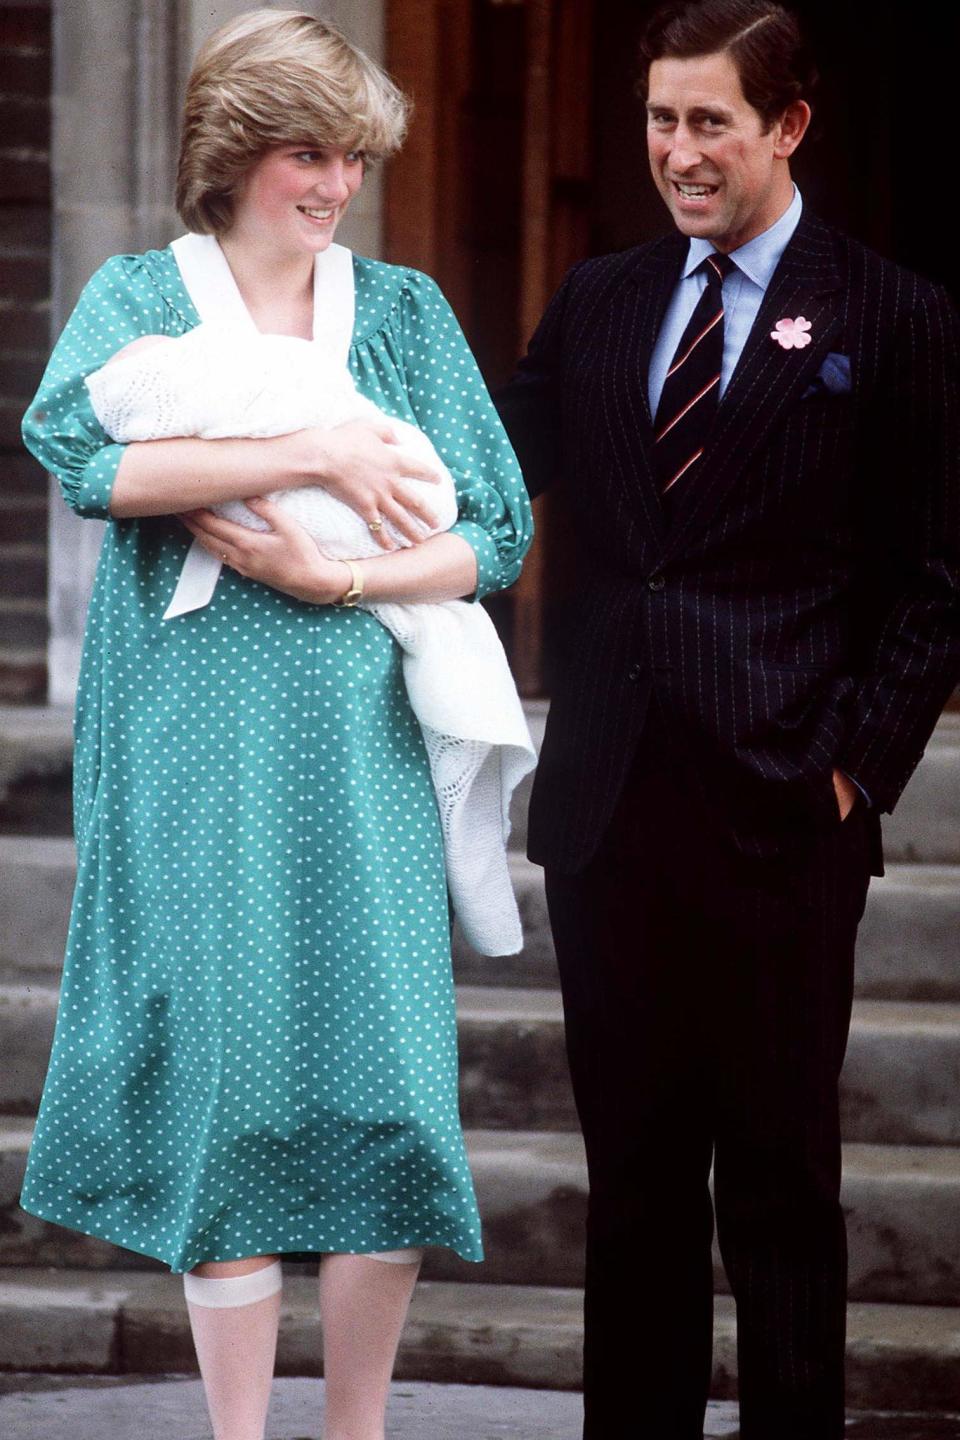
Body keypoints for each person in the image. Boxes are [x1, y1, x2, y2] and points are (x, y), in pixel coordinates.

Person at [19, 10, 532, 1440]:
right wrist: (313, 444)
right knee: (226, 1093)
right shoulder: (141, 300)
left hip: (364, 760)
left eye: (353, 157)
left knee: (389, 1090)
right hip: (192, 754)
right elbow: (82, 456)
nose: (335, 185)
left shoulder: (409, 315)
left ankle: (352, 1429)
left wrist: (336, 570)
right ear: (236, 154)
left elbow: (496, 532)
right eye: (309, 152)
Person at [496, 2, 959, 1436]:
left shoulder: (892, 315)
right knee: (631, 1191)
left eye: (709, 122)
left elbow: (938, 583)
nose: (678, 153)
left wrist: (850, 776)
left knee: (777, 1193)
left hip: (779, 822)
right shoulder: (601, 300)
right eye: (658, 120)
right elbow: (484, 481)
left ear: (788, 126)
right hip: (611, 812)